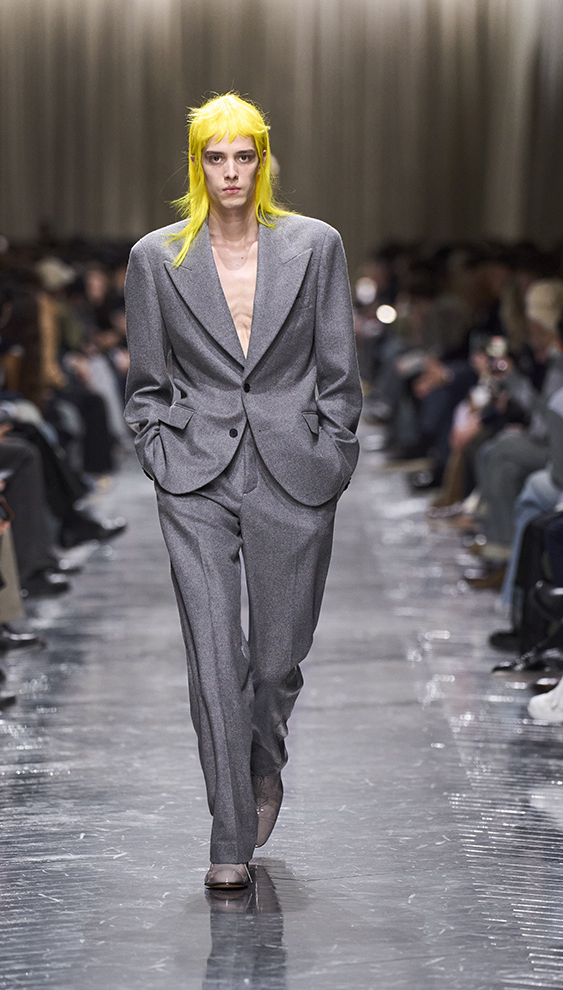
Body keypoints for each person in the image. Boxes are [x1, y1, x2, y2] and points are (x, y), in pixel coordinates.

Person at [124, 94, 362, 889]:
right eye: (215, 157)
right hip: (194, 473)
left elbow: (339, 370)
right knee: (213, 656)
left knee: (276, 661)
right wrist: (158, 451)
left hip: (295, 468)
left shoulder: (315, 246)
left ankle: (265, 757)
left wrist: (335, 451)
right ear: (197, 164)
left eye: (243, 155)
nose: (230, 171)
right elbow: (146, 382)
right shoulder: (157, 258)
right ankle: (229, 835)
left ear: (263, 160)